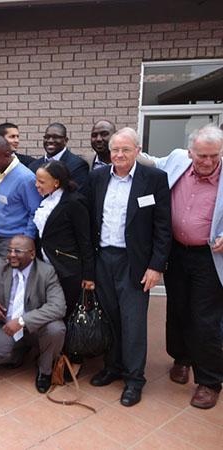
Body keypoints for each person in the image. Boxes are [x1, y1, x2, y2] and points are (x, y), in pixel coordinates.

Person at [88, 127, 171, 407]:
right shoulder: (98, 177)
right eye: (115, 150)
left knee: (133, 322)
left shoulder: (154, 179)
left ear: (138, 151)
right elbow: (90, 219)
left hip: (135, 262)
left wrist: (156, 266)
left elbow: (163, 227)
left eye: (125, 149)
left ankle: (134, 379)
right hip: (103, 258)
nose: (119, 155)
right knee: (110, 317)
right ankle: (112, 367)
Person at [147, 124, 223, 409]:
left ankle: (210, 381)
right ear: (190, 152)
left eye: (214, 155)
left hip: (209, 256)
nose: (208, 162)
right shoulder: (178, 159)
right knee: (177, 309)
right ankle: (181, 358)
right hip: (176, 252)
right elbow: (151, 161)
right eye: (202, 156)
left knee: (205, 319)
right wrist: (124, 148)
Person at [0, 235, 66, 394]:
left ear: (32, 254)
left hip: (36, 327)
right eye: (10, 250)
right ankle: (18, 355)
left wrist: (22, 320)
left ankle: (45, 370)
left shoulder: (46, 272)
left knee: (56, 329)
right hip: (7, 327)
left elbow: (58, 307)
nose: (11, 255)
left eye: (17, 251)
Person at [33, 160, 95, 374]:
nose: (37, 185)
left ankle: (73, 358)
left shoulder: (75, 203)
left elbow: (86, 242)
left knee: (70, 315)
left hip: (68, 270)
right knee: (50, 314)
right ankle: (51, 356)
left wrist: (89, 275)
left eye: (42, 181)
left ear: (57, 182)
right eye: (37, 180)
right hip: (46, 269)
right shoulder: (47, 200)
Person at [0, 135, 42, 258]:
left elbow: (35, 212)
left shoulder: (26, 178)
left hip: (14, 242)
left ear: (7, 155)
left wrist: (25, 241)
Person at [28, 123, 90, 197]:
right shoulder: (33, 166)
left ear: (65, 140)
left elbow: (78, 197)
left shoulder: (78, 165)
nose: (50, 140)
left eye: (55, 137)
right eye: (47, 137)